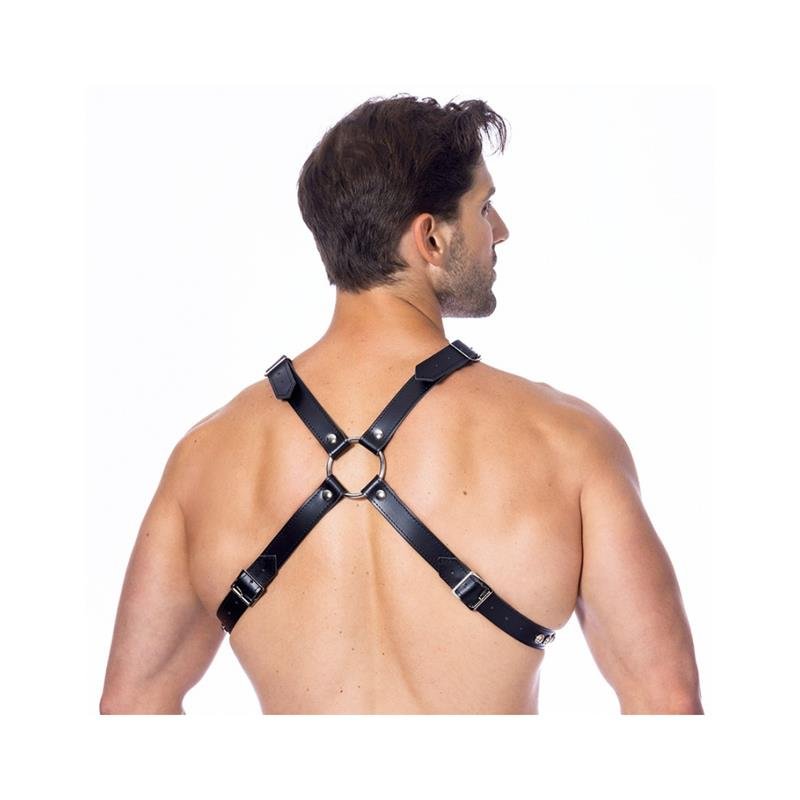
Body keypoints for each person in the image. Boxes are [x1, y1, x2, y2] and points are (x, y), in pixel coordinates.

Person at [99, 93, 703, 714]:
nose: (499, 230)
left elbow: (130, 710)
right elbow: (666, 702)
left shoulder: (204, 460)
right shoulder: (566, 443)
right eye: (483, 207)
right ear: (431, 238)